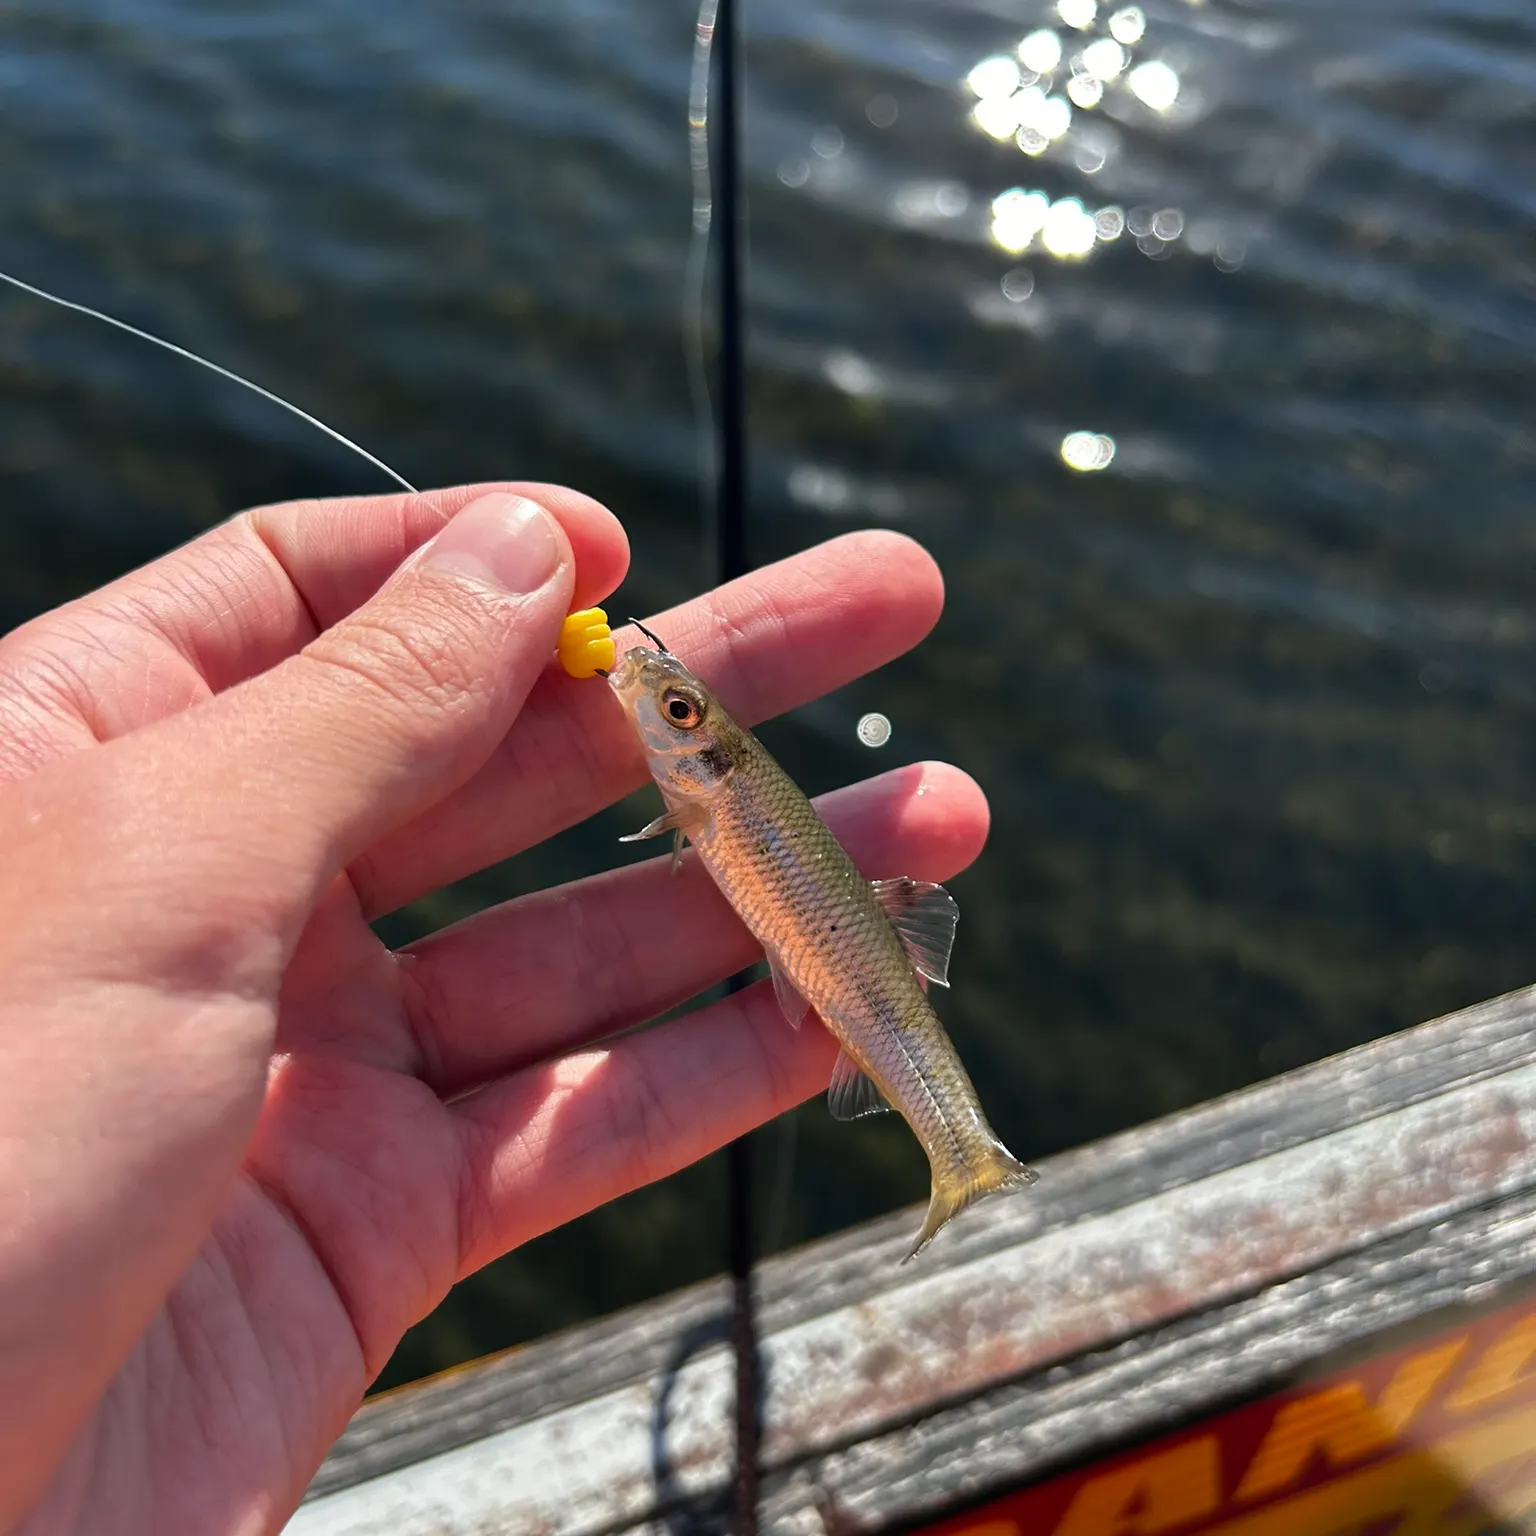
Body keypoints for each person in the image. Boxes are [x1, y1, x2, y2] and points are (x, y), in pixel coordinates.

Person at [0, 484, 988, 1533]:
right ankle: (960, 1154)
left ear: (703, 748)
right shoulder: (699, 782)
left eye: (681, 712)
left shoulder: (715, 787)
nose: (660, 704)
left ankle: (963, 1152)